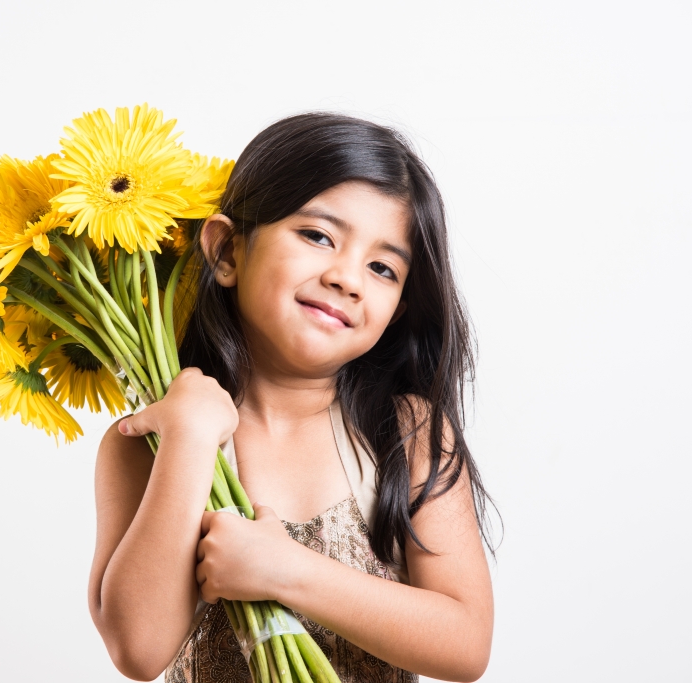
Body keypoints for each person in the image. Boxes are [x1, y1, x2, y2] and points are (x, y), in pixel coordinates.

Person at [88, 113, 495, 682]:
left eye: (382, 268)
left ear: (396, 310)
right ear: (227, 250)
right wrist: (190, 437)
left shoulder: (406, 430)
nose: (348, 278)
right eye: (318, 236)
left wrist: (284, 570)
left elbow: (465, 642)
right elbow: (138, 648)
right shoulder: (150, 442)